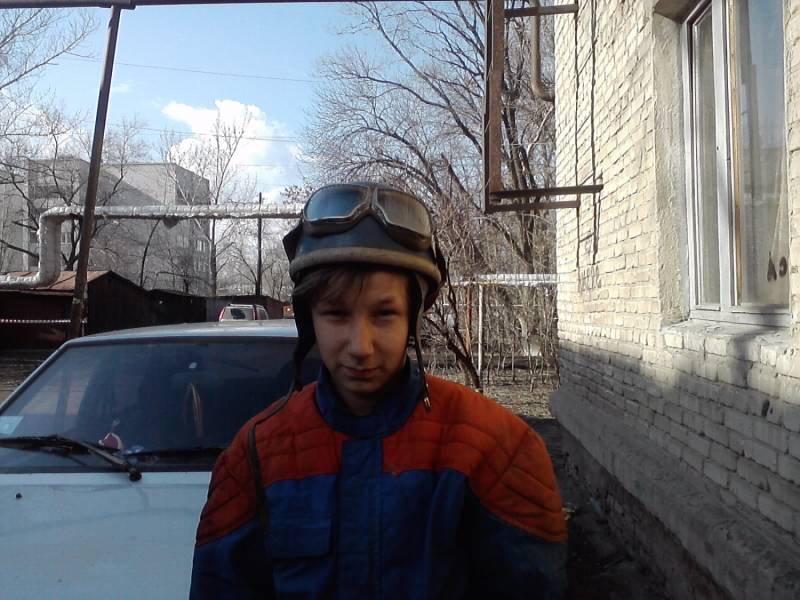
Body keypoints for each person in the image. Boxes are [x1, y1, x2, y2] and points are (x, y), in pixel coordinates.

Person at [189, 182, 567, 599]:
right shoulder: (254, 457)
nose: (361, 346)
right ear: (310, 318)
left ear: (413, 318)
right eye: (336, 314)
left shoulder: (496, 448)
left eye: (384, 314)